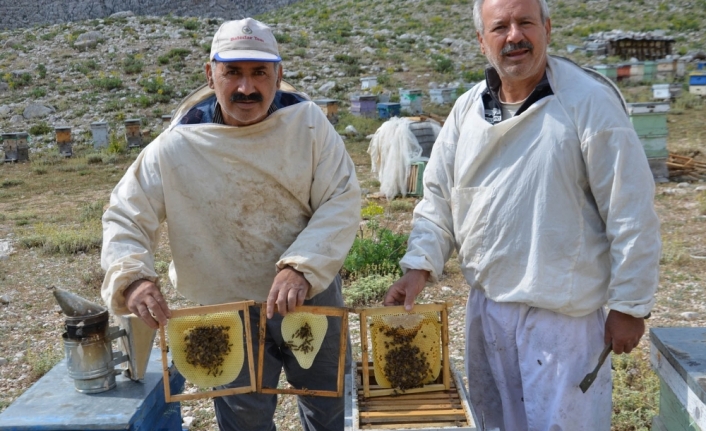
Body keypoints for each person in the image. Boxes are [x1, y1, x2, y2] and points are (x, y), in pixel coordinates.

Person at [383, 0, 661, 429]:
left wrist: (630, 304)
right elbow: (438, 198)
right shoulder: (466, 111)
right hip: (486, 310)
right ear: (482, 41)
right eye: (500, 27)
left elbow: (630, 208)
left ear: (547, 28)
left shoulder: (588, 102)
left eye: (525, 23)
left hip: (561, 321)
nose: (514, 36)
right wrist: (419, 265)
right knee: (496, 422)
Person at [101, 17, 360, 431]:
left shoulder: (309, 125)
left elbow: (341, 199)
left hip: (308, 293)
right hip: (226, 308)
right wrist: (133, 277)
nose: (246, 88)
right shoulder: (176, 144)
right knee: (244, 420)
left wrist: (302, 266)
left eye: (259, 72)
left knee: (326, 405)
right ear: (210, 74)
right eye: (232, 72)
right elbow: (126, 214)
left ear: (279, 73)